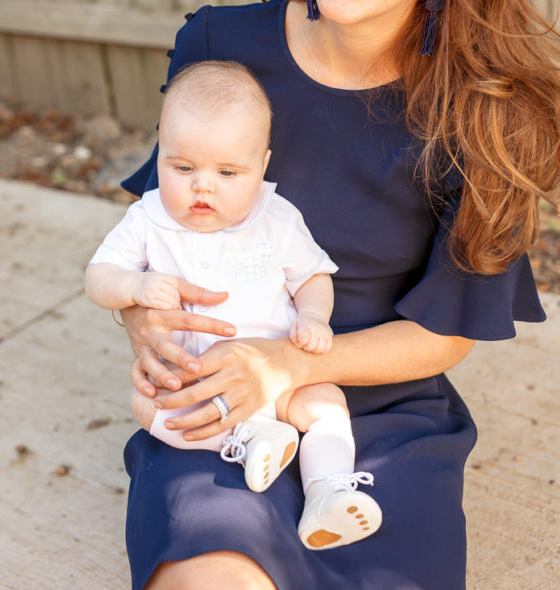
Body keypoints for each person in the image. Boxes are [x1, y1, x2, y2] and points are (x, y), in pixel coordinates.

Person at [116, 0, 560, 590]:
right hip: (219, 393)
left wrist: (287, 363)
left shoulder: (485, 114)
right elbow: (164, 221)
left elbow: (447, 330)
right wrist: (145, 322)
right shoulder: (217, 45)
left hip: (380, 407)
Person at [85, 60, 382, 550]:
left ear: (261, 165)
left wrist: (313, 316)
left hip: (280, 372)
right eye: (183, 168)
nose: (203, 186)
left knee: (325, 403)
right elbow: (98, 278)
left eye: (227, 172)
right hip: (195, 384)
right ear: (160, 151)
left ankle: (328, 492)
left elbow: (312, 276)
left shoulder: (276, 217)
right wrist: (134, 289)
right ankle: (242, 443)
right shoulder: (148, 219)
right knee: (147, 406)